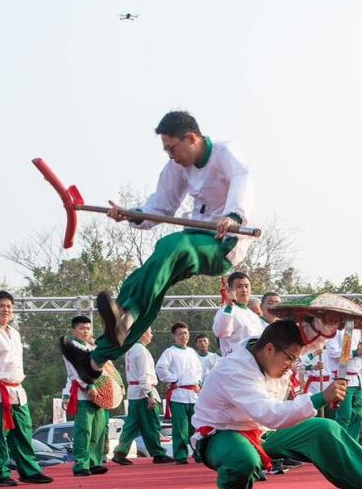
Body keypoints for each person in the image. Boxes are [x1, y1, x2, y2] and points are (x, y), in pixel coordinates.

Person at [61, 110, 255, 385]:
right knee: (143, 280)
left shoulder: (226, 153)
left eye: (172, 148)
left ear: (191, 138)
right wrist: (132, 214)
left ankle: (126, 318)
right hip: (196, 235)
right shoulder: (175, 168)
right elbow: (161, 206)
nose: (171, 156)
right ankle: (94, 361)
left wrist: (234, 215)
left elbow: (242, 179)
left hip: (224, 243)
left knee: (170, 245)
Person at [190, 320, 362, 489]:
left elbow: (311, 343)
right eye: (290, 359)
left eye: (295, 359)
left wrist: (329, 325)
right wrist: (321, 397)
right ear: (270, 349)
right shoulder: (234, 370)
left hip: (263, 431)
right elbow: (269, 412)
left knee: (326, 429)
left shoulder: (269, 350)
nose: (291, 366)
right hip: (222, 435)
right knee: (243, 459)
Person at [0, 291, 53, 486]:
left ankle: (29, 471)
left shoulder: (14, 333)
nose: (6, 310)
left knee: (23, 432)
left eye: (9, 306)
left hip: (16, 389)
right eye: (1, 306)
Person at [111, 327, 172, 465]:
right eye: (149, 331)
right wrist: (149, 394)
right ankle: (158, 453)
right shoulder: (142, 351)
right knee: (151, 424)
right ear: (142, 333)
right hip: (143, 392)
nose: (151, 334)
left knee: (132, 425)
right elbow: (144, 376)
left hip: (134, 393)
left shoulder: (131, 349)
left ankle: (120, 451)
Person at [60, 316, 109, 476]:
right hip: (83, 394)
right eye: (82, 328)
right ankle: (81, 464)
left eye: (88, 328)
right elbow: (75, 372)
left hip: (99, 394)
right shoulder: (71, 348)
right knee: (84, 430)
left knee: (98, 430)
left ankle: (94, 462)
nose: (85, 331)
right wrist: (89, 385)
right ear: (74, 330)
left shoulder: (93, 347)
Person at [156, 322, 204, 464]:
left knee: (196, 426)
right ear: (174, 336)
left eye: (186, 333)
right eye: (181, 334)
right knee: (180, 427)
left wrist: (199, 383)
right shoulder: (170, 352)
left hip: (193, 394)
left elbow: (198, 370)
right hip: (179, 394)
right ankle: (181, 455)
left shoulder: (192, 352)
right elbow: (161, 368)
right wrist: (173, 379)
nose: (184, 336)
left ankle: (199, 452)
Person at [324, 323, 362, 440]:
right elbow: (334, 353)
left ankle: (353, 443)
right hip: (343, 378)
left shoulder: (358, 330)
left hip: (357, 378)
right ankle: (341, 444)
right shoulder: (333, 330)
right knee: (344, 416)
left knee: (358, 416)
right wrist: (355, 352)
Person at [212, 272, 265, 356]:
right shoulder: (226, 310)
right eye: (239, 286)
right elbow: (221, 332)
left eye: (247, 286)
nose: (244, 290)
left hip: (253, 364)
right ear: (230, 290)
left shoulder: (253, 315)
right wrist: (229, 305)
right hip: (235, 365)